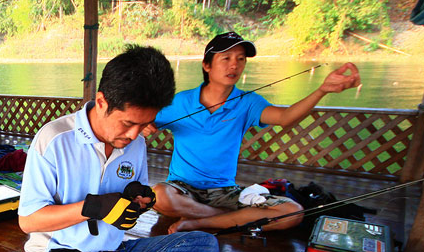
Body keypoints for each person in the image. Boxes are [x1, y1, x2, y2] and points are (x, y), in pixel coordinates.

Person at [18, 45, 219, 252]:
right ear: (101, 102)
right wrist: (92, 207)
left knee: (206, 246)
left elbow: (125, 217)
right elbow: (28, 221)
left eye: (144, 124)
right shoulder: (54, 139)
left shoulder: (134, 144)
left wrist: (139, 202)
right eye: (128, 123)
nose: (136, 135)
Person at [146, 32, 361, 233]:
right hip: (181, 189)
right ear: (207, 65)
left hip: (225, 192)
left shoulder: (248, 102)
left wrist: (322, 90)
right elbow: (141, 118)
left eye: (241, 59)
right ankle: (230, 218)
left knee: (292, 211)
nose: (234, 65)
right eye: (226, 58)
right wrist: (145, 125)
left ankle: (201, 221)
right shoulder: (180, 101)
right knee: (158, 195)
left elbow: (285, 118)